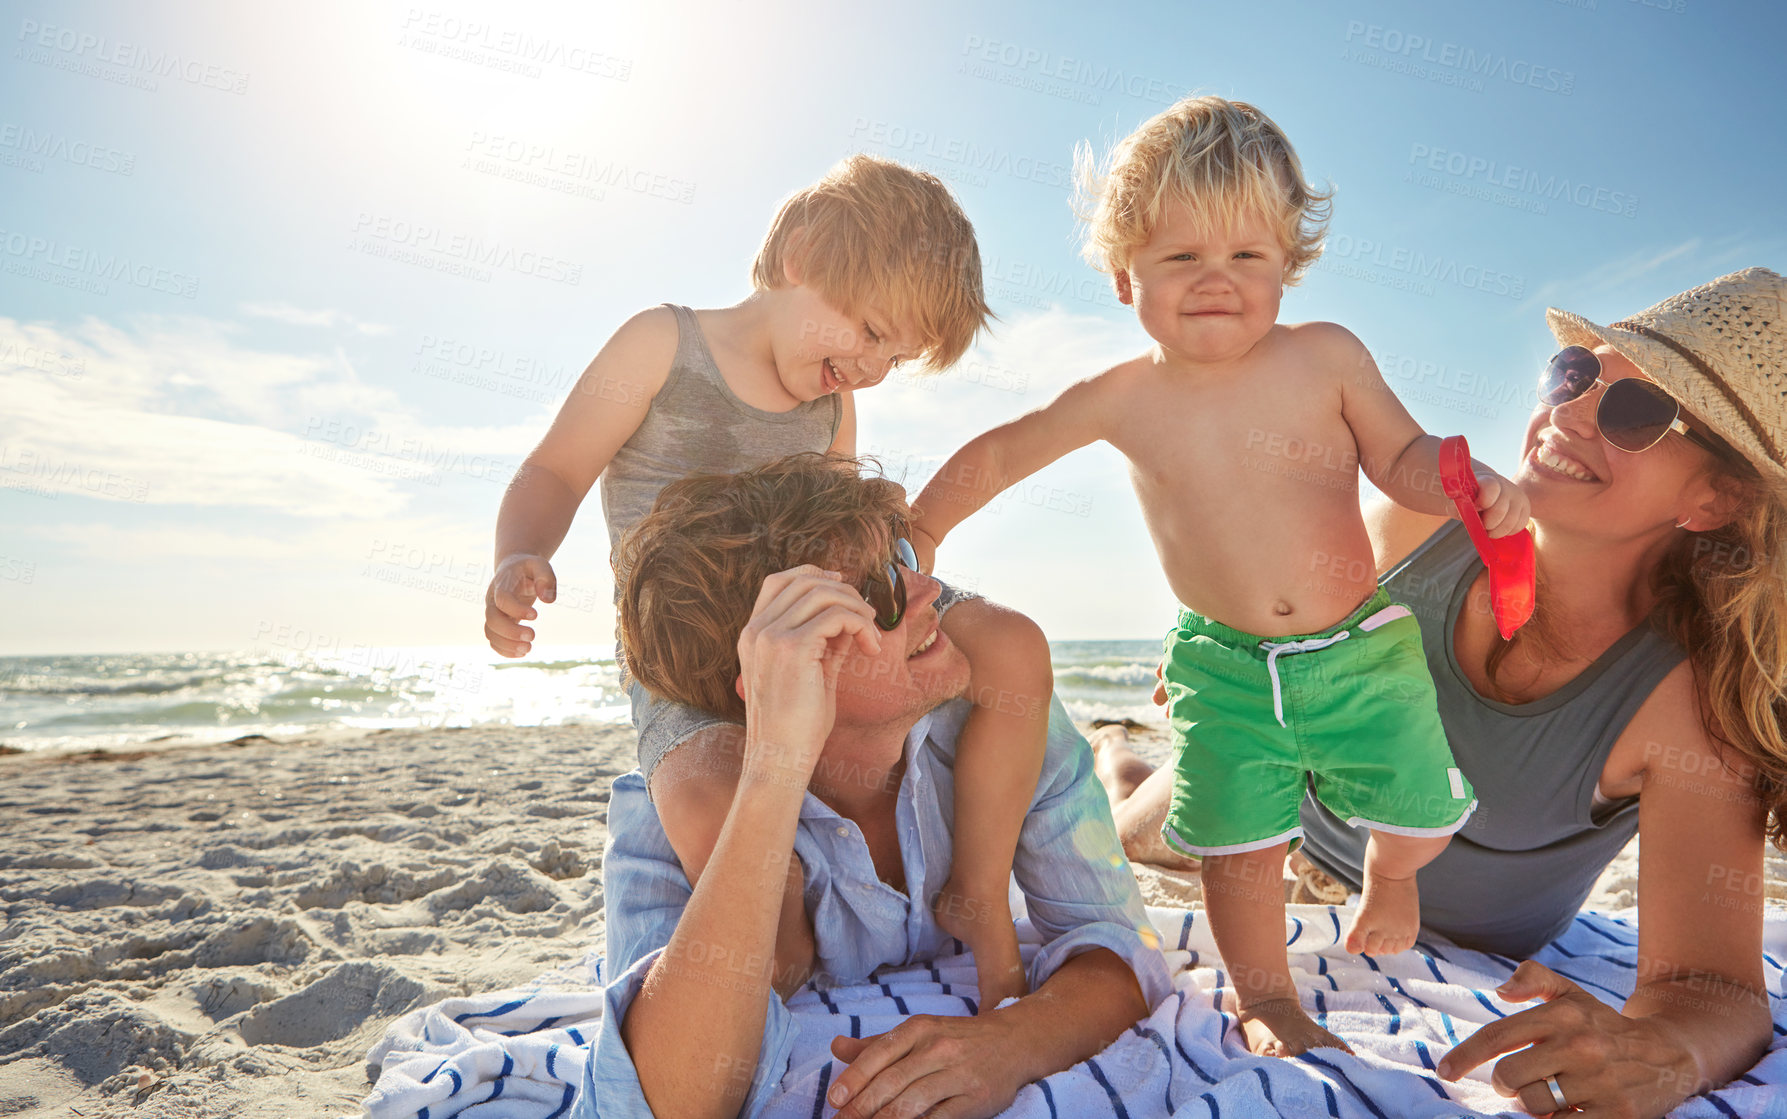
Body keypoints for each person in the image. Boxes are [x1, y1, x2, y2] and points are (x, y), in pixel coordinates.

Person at [910, 95, 1527, 1058]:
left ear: (1289, 262)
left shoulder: (1324, 357)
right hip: (1226, 665)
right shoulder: (1122, 395)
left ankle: (1391, 873)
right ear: (1124, 277)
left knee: (1419, 809)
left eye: (1247, 256)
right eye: (1181, 257)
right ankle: (1268, 998)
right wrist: (921, 526)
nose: (1217, 280)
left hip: (1354, 646)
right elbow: (1001, 453)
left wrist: (1457, 480)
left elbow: (1398, 453)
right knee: (1235, 845)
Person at [1094, 266, 1786, 1118]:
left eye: (1634, 412)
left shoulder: (1686, 698)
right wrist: (1218, 648)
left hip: (1435, 920)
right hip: (1281, 802)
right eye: (1573, 372)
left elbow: (1709, 986)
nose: (1566, 410)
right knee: (1130, 822)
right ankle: (1116, 752)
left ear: (1715, 497)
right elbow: (1271, 589)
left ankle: (1121, 756)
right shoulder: (1420, 523)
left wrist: (1664, 1054)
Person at [481, 154, 1052, 1008]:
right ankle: (778, 950)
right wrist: (518, 555)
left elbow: (850, 532)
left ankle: (976, 879)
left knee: (1010, 646)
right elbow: (555, 470)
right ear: (802, 257)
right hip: (687, 654)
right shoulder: (662, 344)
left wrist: (899, 546)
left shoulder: (830, 405)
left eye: (892, 358)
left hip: (819, 626)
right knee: (710, 798)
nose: (868, 367)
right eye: (867, 329)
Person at [575, 454, 1172, 1119]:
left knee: (1123, 787)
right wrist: (775, 768)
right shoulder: (681, 803)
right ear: (778, 667)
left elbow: (1124, 950)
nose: (929, 590)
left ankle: (1114, 747)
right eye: (884, 587)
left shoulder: (1002, 723)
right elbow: (665, 1099)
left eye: (905, 558)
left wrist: (1009, 1042)